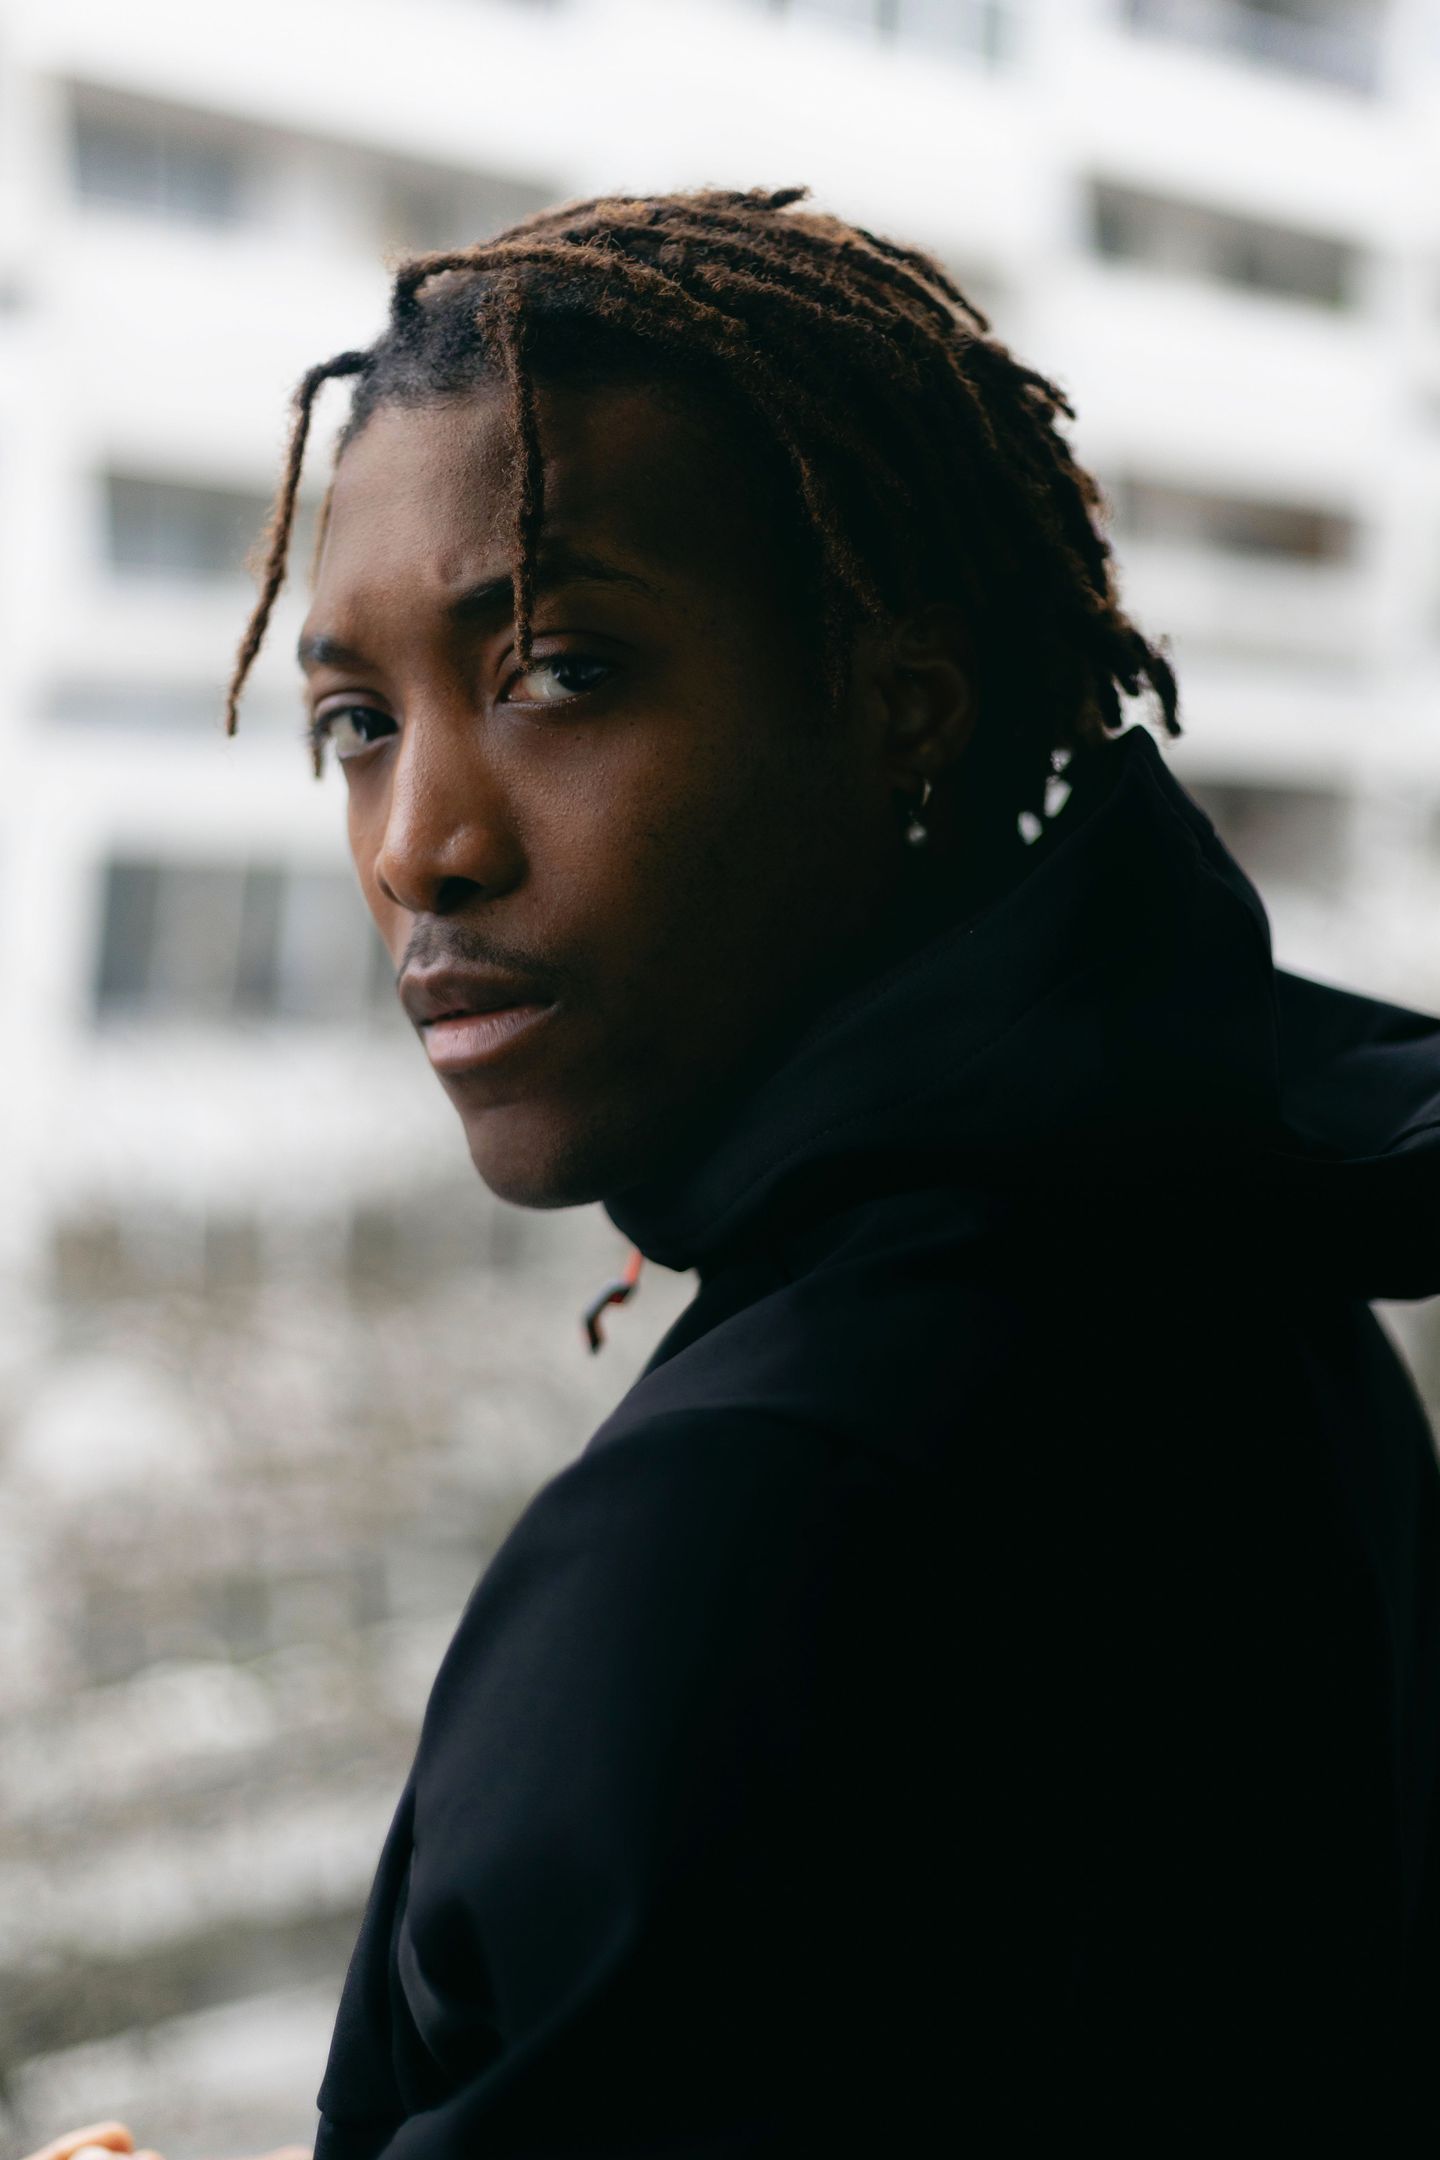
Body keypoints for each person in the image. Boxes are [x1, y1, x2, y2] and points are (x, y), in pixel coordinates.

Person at [38, 186, 1440, 2155]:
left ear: (902, 706)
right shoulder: (1233, 1260)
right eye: (356, 721)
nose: (419, 843)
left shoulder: (767, 1509)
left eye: (559, 671)